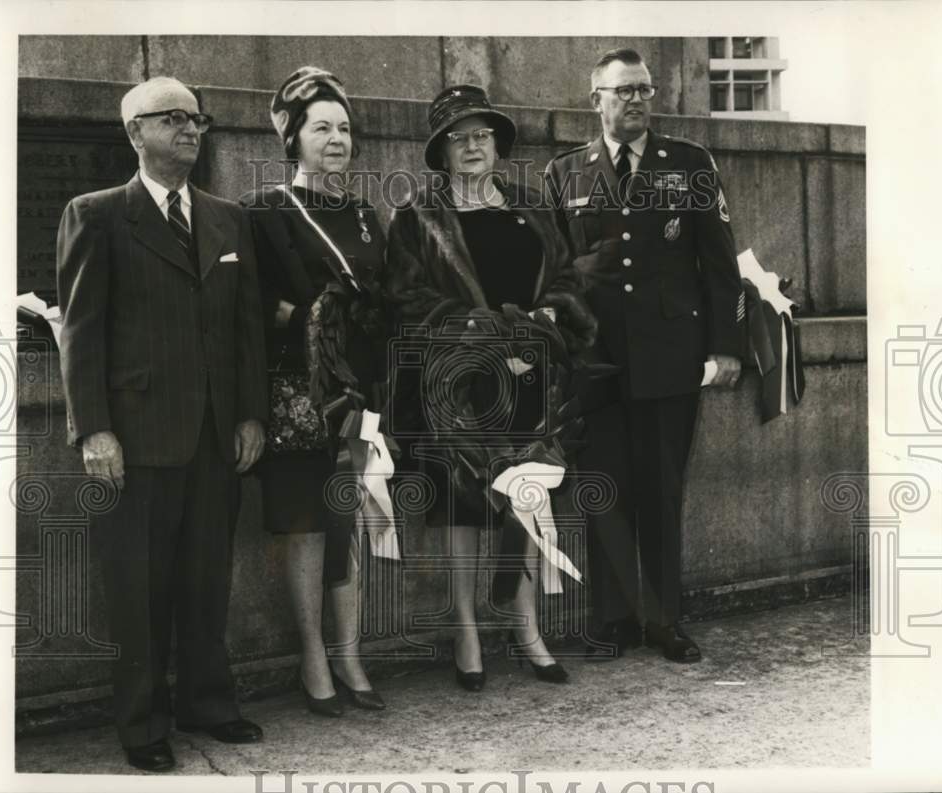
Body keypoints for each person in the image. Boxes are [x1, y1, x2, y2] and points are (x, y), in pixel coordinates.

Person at [56, 76, 268, 772]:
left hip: (214, 435)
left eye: (197, 119)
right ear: (134, 133)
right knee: (137, 585)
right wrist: (94, 429)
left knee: (207, 576)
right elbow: (81, 334)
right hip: (138, 436)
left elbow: (246, 332)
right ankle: (142, 720)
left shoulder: (226, 217)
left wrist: (249, 414)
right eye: (171, 119)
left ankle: (207, 701)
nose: (190, 129)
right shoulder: (98, 214)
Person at [386, 85, 597, 691]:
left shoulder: (533, 206)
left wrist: (548, 323)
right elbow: (405, 299)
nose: (472, 146)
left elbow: (566, 277)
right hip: (459, 385)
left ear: (498, 145)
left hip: (532, 378)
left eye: (482, 135)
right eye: (459, 137)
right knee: (461, 507)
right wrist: (480, 334)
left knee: (527, 496)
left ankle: (526, 627)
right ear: (441, 151)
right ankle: (466, 631)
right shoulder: (418, 215)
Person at [544, 48, 745, 663]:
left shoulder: (688, 164)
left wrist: (725, 347)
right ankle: (612, 618)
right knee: (604, 489)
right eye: (623, 90)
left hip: (668, 357)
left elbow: (720, 266)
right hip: (597, 362)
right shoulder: (565, 174)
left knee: (660, 490)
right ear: (595, 98)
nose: (636, 100)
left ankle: (664, 622)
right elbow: (555, 272)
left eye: (645, 90)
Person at [240, 66, 391, 717]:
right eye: (321, 126)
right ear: (292, 138)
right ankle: (311, 654)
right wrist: (294, 318)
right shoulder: (264, 213)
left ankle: (349, 650)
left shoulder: (362, 215)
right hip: (297, 398)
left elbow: (385, 302)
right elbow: (249, 310)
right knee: (303, 526)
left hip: (357, 395)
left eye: (345, 128)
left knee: (348, 521)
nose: (337, 139)